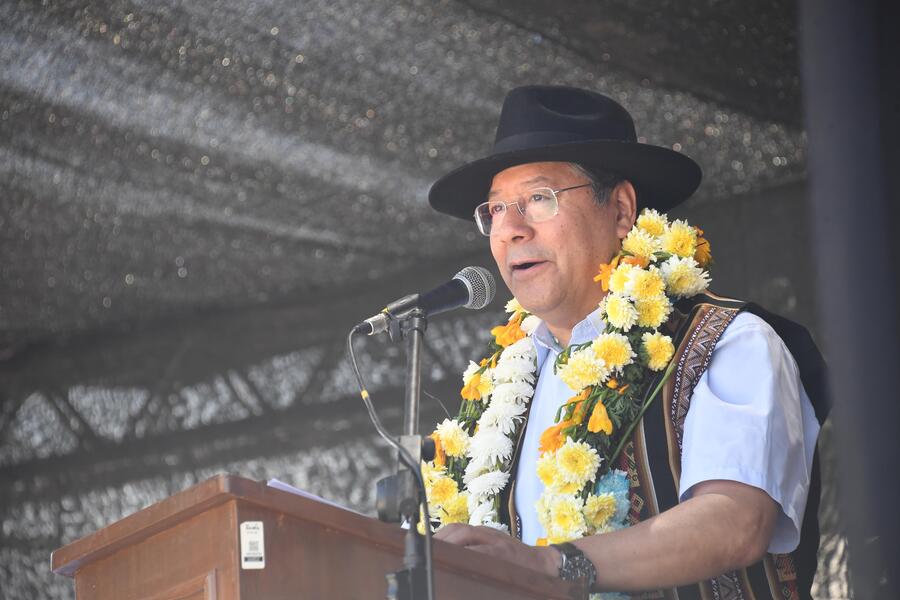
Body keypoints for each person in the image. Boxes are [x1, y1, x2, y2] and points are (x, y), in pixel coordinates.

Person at [424, 86, 828, 599]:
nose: (510, 230)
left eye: (539, 199)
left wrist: (550, 566)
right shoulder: (501, 387)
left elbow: (735, 521)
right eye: (496, 209)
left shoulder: (726, 342)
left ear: (620, 211)